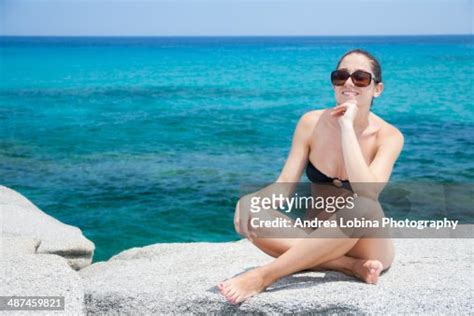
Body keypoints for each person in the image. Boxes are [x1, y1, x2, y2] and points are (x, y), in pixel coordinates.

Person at [217, 49, 404, 304]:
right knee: (255, 213)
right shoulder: (310, 123)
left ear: (377, 89)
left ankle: (262, 277)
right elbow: (283, 189)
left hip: (366, 241)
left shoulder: (389, 136)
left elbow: (368, 192)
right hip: (314, 235)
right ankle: (347, 265)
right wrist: (252, 199)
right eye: (341, 76)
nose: (349, 83)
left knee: (363, 203)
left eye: (360, 78)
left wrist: (347, 127)